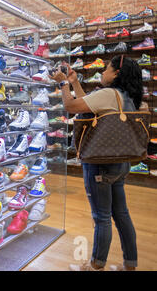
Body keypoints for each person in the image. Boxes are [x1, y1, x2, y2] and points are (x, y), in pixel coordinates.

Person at [51, 55, 142, 271]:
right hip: (120, 163)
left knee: (101, 216)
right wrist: (74, 81)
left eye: (105, 69)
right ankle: (130, 264)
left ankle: (95, 266)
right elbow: (87, 107)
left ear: (116, 74)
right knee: (121, 214)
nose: (102, 72)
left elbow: (72, 107)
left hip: (100, 163)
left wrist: (62, 84)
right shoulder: (127, 96)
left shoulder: (108, 94)